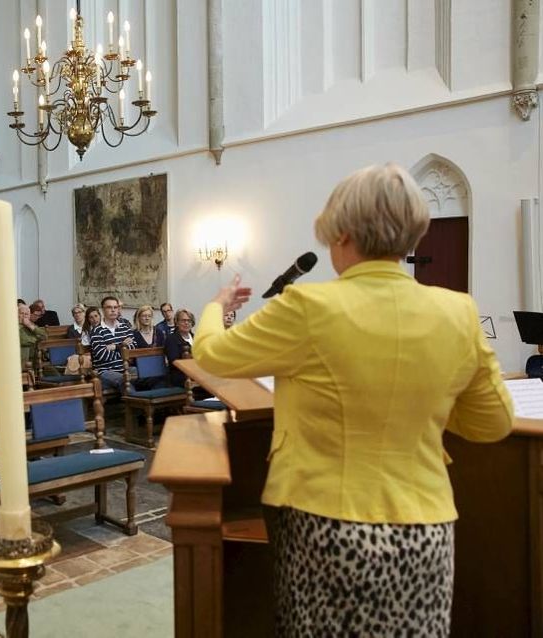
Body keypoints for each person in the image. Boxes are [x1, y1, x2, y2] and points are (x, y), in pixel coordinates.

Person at [193, 163, 514, 635]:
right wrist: (420, 412)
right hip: (425, 526)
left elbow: (212, 355)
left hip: (324, 521)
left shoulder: (309, 307)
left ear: (343, 234)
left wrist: (216, 307)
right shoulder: (458, 312)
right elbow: (493, 423)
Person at [88, 297, 135, 391]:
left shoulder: (125, 327)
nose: (113, 310)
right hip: (105, 372)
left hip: (125, 368)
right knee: (124, 380)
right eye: (109, 307)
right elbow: (103, 356)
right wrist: (121, 346)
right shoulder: (97, 331)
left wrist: (114, 347)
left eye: (115, 307)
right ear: (103, 310)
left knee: (148, 374)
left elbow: (133, 350)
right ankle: (135, 404)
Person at [164, 309, 195, 387]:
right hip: (180, 376)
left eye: (189, 320)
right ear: (177, 323)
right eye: (183, 320)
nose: (186, 323)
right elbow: (174, 361)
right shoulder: (171, 339)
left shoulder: (196, 338)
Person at [18, 303, 48, 372]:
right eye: (22, 313)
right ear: (17, 314)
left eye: (26, 314)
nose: (24, 316)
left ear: (29, 316)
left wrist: (30, 326)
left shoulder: (31, 325)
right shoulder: (14, 326)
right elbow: (24, 341)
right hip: (22, 361)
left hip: (34, 360)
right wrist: (36, 339)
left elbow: (44, 336)